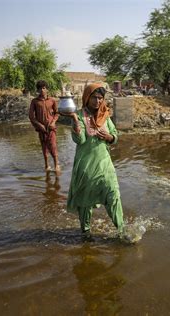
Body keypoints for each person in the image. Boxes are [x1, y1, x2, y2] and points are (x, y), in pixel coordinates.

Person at [64, 83, 124, 237]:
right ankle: (86, 232)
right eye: (94, 98)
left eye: (100, 98)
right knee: (85, 203)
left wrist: (110, 137)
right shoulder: (79, 115)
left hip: (105, 165)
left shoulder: (105, 115)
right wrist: (75, 121)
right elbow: (80, 140)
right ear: (87, 98)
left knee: (113, 195)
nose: (98, 101)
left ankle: (121, 231)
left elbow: (115, 136)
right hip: (86, 166)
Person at [29, 80, 61, 172]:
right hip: (41, 129)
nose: (42, 90)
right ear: (38, 90)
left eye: (44, 88)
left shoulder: (52, 100)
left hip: (51, 128)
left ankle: (56, 165)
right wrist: (39, 125)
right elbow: (31, 117)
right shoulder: (35, 101)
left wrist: (53, 122)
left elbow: (57, 113)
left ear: (47, 89)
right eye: (40, 89)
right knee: (44, 147)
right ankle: (47, 165)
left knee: (53, 146)